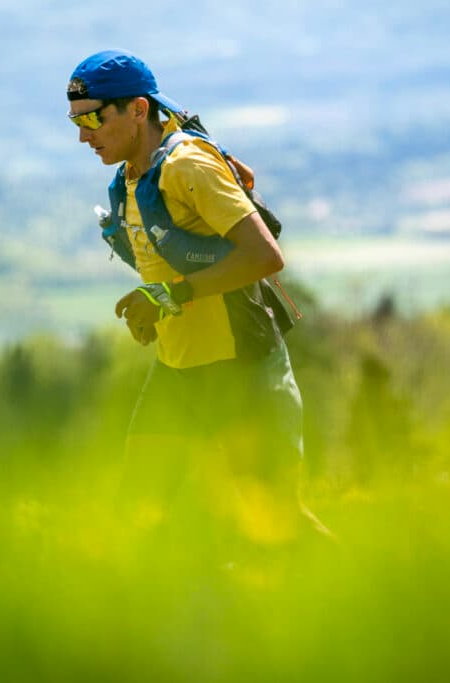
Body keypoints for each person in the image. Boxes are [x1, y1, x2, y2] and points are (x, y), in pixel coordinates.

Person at [66, 49, 332, 551]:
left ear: (139, 110)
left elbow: (264, 257)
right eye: (77, 122)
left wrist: (171, 296)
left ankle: (387, 605)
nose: (85, 135)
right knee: (141, 516)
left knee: (278, 526)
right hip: (176, 372)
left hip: (242, 371)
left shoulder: (188, 165)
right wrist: (156, 308)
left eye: (96, 118)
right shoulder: (130, 175)